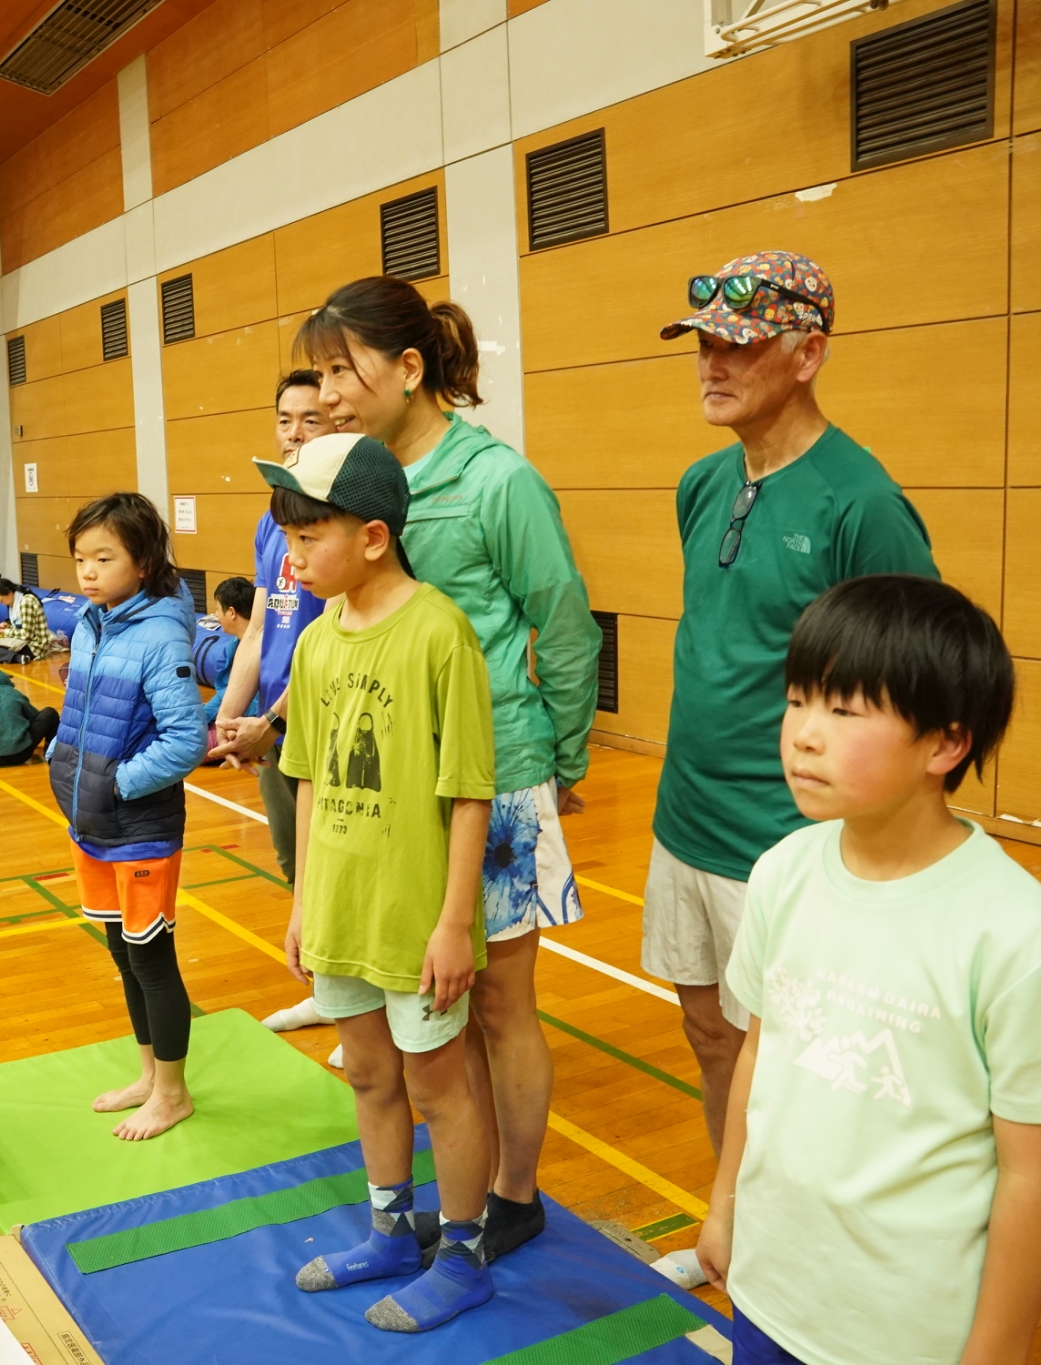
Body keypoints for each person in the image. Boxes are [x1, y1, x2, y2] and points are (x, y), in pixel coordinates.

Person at [695, 574, 1041, 1365]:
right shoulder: (782, 872)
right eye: (797, 699)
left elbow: (1034, 1177)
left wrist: (996, 1348)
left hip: (908, 1336)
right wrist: (726, 1205)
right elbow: (759, 1052)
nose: (803, 733)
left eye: (845, 710)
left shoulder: (1023, 938)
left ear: (945, 744)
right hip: (770, 1294)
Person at [299, 276, 599, 1263]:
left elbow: (562, 624)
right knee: (438, 1010)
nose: (327, 393)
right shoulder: (353, 480)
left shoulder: (495, 481)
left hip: (496, 774)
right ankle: (461, 1198)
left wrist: (559, 762)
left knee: (501, 1005)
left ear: (408, 367)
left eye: (341, 369)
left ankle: (513, 1196)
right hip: (393, 787)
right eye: (319, 374)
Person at [649, 252, 940, 1155]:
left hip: (784, 841)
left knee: (788, 1068)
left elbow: (917, 689)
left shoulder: (863, 504)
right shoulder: (702, 484)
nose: (712, 364)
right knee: (709, 1036)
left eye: (738, 345)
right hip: (684, 820)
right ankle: (733, 1215)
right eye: (704, 345)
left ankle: (781, 1230)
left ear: (808, 353)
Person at [262, 433, 497, 1333]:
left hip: (414, 916)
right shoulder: (318, 641)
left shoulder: (439, 632)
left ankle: (464, 1255)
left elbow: (469, 790)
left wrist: (452, 922)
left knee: (439, 1087)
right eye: (288, 537)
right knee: (368, 1075)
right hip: (341, 909)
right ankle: (392, 1232)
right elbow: (308, 779)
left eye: (307, 536)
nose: (291, 555)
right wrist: (304, 902)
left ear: (371, 537)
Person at [48, 492, 204, 1142]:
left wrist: (117, 784)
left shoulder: (160, 633)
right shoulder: (93, 621)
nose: (87, 571)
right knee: (121, 950)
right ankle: (149, 1076)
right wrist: (62, 757)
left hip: (139, 826)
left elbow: (185, 739)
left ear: (143, 562)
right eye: (81, 558)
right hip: (92, 822)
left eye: (103, 558)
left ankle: (173, 1093)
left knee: (152, 958)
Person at [211, 371, 334, 884]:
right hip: (274, 726)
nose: (294, 433)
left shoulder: (344, 518)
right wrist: (227, 720)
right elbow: (258, 630)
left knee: (329, 876)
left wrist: (273, 722)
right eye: (285, 421)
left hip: (322, 723)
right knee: (294, 870)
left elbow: (336, 644)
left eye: (311, 420)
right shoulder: (270, 522)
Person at [200, 576, 257, 727]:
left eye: (217, 608)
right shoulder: (235, 644)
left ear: (231, 612)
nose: (216, 614)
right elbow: (225, 691)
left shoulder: (261, 649)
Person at [0, 577, 51, 663]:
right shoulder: (14, 601)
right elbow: (21, 625)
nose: (1, 603)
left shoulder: (26, 601)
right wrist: (8, 626)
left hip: (34, 647)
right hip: (25, 642)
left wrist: (6, 632)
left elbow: (27, 634)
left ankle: (17, 658)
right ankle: (18, 657)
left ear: (10, 593)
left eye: (1, 600)